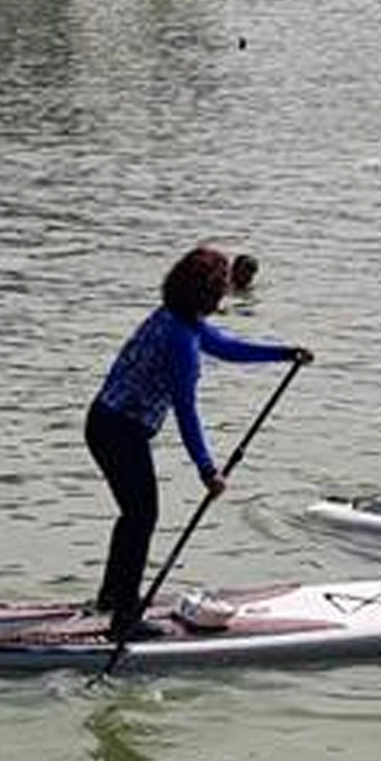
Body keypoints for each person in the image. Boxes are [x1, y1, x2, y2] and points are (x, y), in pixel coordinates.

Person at [85, 246, 312, 641]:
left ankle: (112, 597)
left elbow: (227, 346)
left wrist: (283, 353)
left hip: (103, 422)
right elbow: (186, 410)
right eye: (221, 287)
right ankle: (124, 619)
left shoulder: (176, 318)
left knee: (134, 515)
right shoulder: (181, 340)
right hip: (119, 431)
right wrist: (207, 469)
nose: (226, 293)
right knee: (142, 517)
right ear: (207, 292)